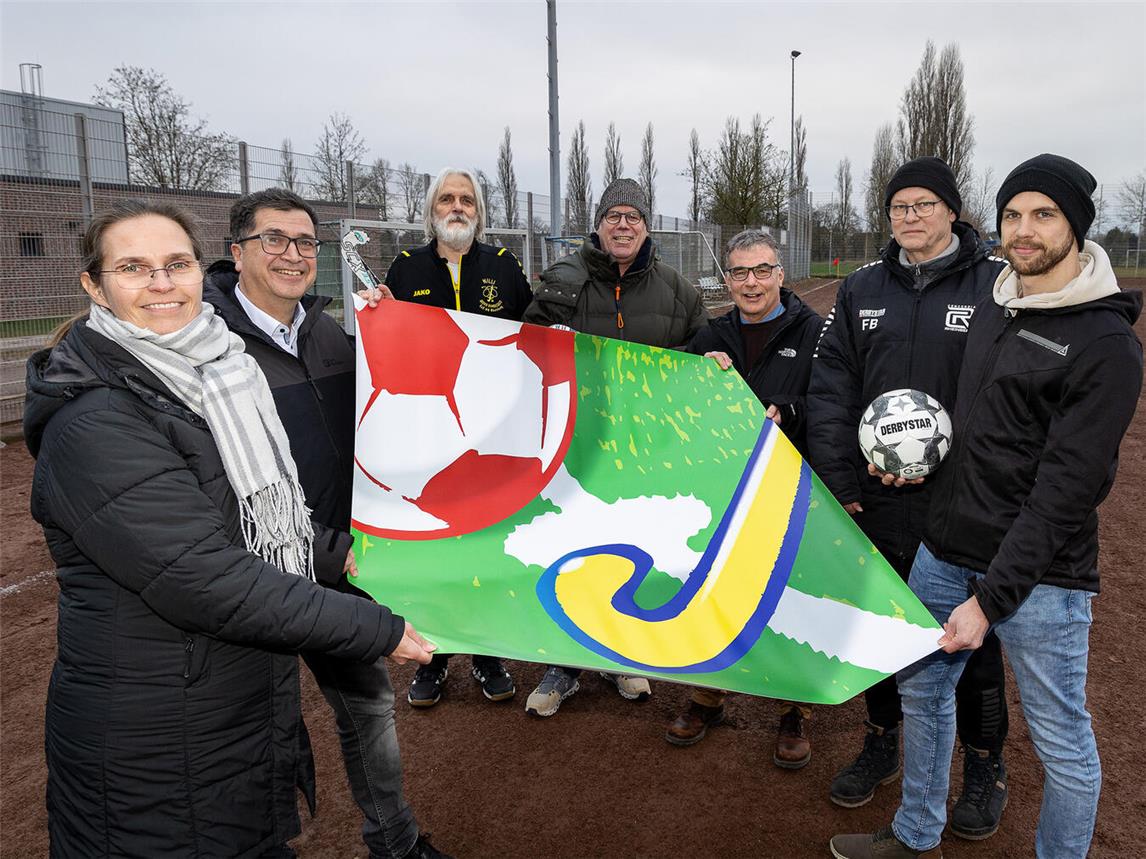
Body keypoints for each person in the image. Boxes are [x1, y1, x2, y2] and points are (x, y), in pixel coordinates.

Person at [24, 199, 439, 858]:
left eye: (175, 264)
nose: (161, 282)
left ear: (198, 269)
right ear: (95, 286)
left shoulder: (215, 371)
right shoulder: (97, 418)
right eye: (134, 268)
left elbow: (248, 514)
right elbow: (205, 576)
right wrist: (377, 627)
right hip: (155, 742)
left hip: (227, 706)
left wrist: (337, 553)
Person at [830, 156, 1143, 858]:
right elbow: (975, 431)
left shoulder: (1106, 343)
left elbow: (1065, 494)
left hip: (1039, 577)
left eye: (1044, 215)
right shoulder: (999, 305)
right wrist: (915, 466)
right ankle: (915, 835)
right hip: (945, 549)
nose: (1024, 230)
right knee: (922, 695)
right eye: (1012, 215)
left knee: (1061, 739)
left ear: (1076, 227)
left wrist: (990, 600)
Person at [202, 188, 446, 859]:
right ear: (237, 252)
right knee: (252, 724)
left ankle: (394, 842)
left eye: (305, 242)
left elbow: (391, 408)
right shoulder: (206, 345)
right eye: (274, 239)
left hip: (339, 563)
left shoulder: (328, 331)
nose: (293, 254)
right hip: (254, 576)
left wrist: (396, 337)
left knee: (369, 709)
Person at [807, 157, 1011, 832]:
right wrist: (844, 479)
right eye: (899, 206)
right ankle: (882, 740)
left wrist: (952, 471)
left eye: (925, 204)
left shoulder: (996, 284)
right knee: (883, 626)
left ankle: (983, 762)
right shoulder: (861, 288)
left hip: (962, 503)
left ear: (952, 210)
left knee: (969, 637)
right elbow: (831, 388)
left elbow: (1009, 396)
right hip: (877, 496)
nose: (911, 216)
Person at [522, 177, 708, 717]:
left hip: (646, 453)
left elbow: (703, 360)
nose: (623, 225)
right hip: (575, 451)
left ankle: (621, 653)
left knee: (632, 552)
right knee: (568, 552)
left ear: (646, 226)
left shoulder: (678, 290)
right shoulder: (562, 280)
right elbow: (527, 352)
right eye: (613, 216)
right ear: (599, 225)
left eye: (633, 216)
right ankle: (563, 664)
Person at [667, 229, 823, 768]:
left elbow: (834, 399)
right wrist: (696, 374)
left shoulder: (814, 332)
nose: (750, 282)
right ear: (727, 279)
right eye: (739, 272)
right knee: (714, 588)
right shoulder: (710, 335)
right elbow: (679, 402)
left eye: (761, 271)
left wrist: (791, 410)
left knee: (790, 596)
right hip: (725, 485)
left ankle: (793, 708)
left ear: (780, 274)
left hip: (791, 484)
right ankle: (707, 695)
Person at [383, 167, 530, 707]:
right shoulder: (405, 268)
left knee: (487, 543)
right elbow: (385, 342)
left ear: (479, 212)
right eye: (447, 198)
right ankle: (435, 656)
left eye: (467, 199)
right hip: (427, 433)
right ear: (431, 211)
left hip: (493, 432)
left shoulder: (504, 265)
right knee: (435, 548)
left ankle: (487, 652)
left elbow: (535, 335)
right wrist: (376, 309)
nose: (457, 207)